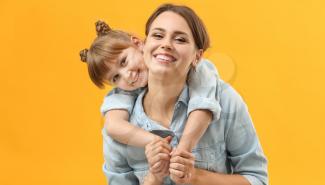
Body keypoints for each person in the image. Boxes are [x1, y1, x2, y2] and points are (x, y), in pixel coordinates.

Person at [102, 3, 269, 185]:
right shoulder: (121, 125)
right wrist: (154, 177)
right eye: (158, 35)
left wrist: (196, 176)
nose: (166, 44)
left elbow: (257, 184)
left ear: (197, 56)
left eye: (180, 39)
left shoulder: (225, 101)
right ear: (143, 44)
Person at [80, 21, 222, 161]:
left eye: (124, 61)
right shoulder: (123, 91)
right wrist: (156, 141)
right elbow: (113, 126)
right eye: (116, 77)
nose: (126, 75)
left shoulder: (190, 66)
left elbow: (203, 104)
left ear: (137, 43)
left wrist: (183, 148)